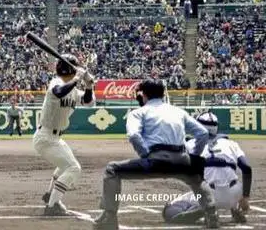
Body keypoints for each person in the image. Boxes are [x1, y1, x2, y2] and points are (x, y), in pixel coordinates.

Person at [92, 79, 219, 230]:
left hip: (156, 160)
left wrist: (145, 154)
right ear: (163, 93)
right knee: (197, 180)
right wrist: (192, 158)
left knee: (112, 169)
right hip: (181, 159)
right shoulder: (178, 111)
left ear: (144, 95)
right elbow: (203, 133)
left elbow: (134, 135)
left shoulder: (138, 113)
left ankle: (109, 216)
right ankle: (211, 212)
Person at [162, 111, 252, 225]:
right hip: (234, 195)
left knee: (169, 211)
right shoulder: (231, 144)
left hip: (208, 195)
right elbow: (247, 168)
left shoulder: (191, 144)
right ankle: (236, 208)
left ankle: (207, 211)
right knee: (229, 177)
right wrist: (245, 197)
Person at [34, 54, 95, 216]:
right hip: (45, 137)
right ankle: (53, 206)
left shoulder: (74, 90)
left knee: (64, 166)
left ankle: (49, 195)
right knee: (73, 168)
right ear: (71, 69)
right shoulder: (57, 83)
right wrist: (77, 78)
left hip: (55, 138)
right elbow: (59, 92)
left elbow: (88, 102)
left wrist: (89, 84)